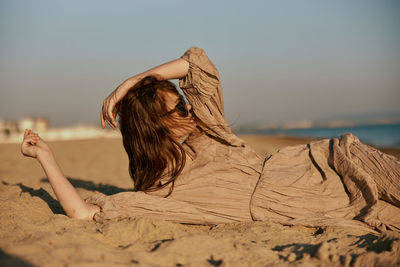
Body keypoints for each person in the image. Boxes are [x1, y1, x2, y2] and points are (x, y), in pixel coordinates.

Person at [22, 47, 400, 232]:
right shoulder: (159, 192)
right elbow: (84, 213)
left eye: (185, 104)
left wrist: (131, 82)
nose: (189, 111)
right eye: (179, 109)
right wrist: (46, 156)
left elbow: (197, 65)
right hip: (294, 204)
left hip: (317, 162)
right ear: (156, 125)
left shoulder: (210, 128)